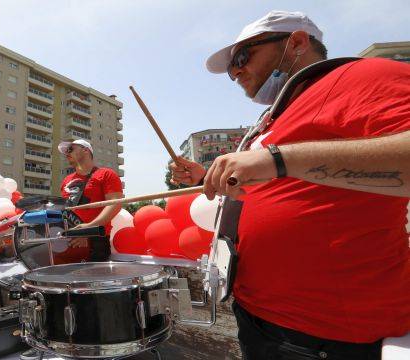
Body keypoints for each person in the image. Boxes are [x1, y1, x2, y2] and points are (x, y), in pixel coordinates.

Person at [170, 10, 410, 360]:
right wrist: (206, 177)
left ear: (296, 42)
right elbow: (283, 186)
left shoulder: (364, 75)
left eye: (242, 56)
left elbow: (285, 166)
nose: (235, 72)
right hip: (259, 317)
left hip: (325, 333)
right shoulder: (277, 116)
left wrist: (277, 159)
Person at [59, 139, 124, 262]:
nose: (67, 153)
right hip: (68, 240)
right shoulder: (66, 180)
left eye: (70, 149)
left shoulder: (106, 174)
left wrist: (89, 229)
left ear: (86, 150)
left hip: (96, 240)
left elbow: (115, 204)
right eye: (66, 151)